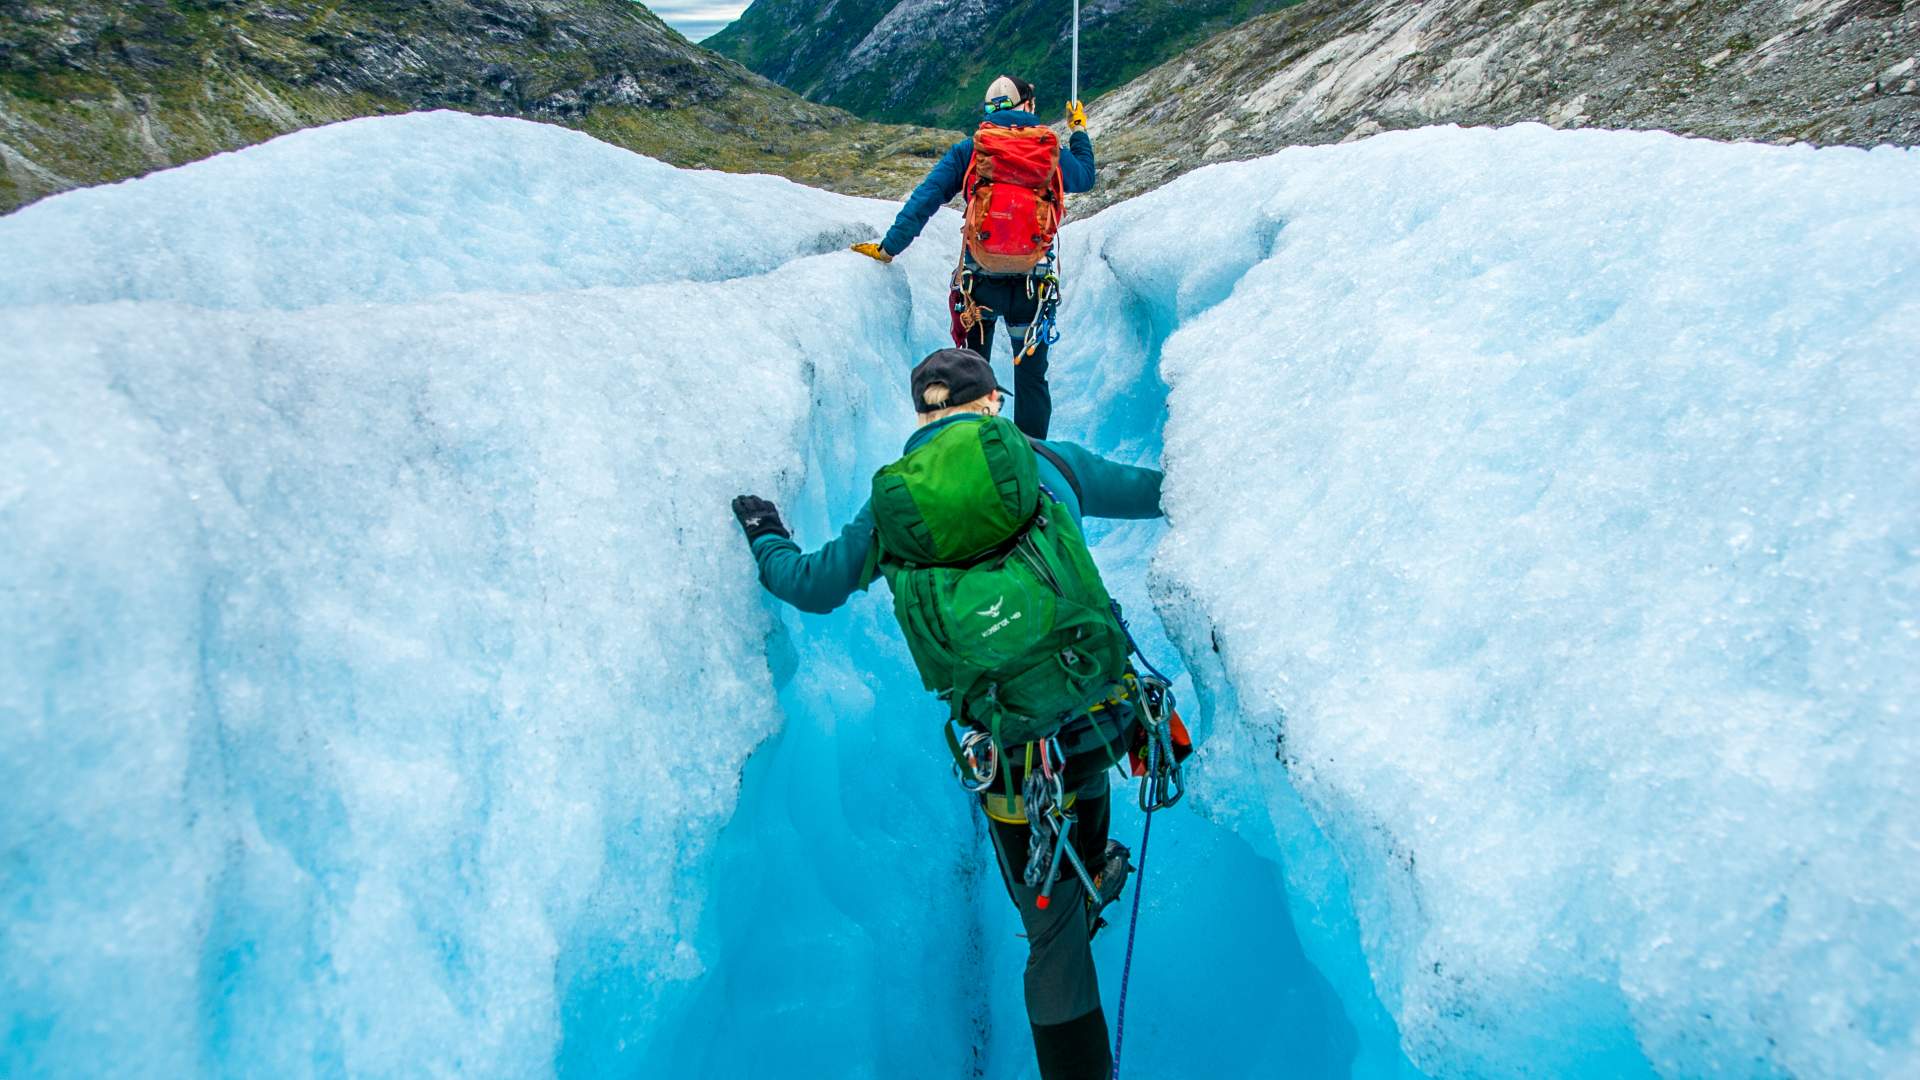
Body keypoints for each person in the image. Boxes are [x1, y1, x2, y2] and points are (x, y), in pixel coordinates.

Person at [731, 348, 1161, 1080]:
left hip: (1013, 754)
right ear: (991, 402)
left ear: (922, 415)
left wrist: (765, 530)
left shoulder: (894, 506)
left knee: (1050, 935)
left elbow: (811, 584)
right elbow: (1155, 491)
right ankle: (1088, 872)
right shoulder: (1041, 460)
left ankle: (1067, 917)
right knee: (1083, 797)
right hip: (1099, 714)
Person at [850, 77, 1096, 441]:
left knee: (971, 376)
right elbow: (1085, 178)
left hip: (979, 286)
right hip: (1033, 286)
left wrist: (889, 248)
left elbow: (926, 199)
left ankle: (974, 452)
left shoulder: (971, 151)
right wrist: (1078, 131)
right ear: (1027, 105)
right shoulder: (1048, 150)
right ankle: (1030, 462)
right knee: (1031, 379)